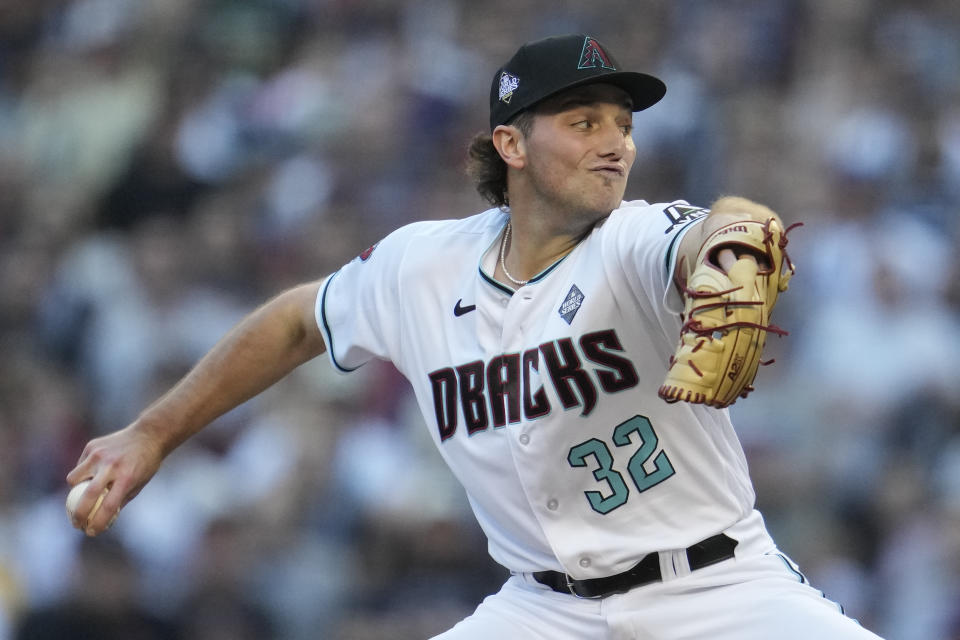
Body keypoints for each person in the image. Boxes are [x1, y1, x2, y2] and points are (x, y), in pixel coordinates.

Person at [67, 34, 883, 639]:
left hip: (719, 592)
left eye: (623, 125)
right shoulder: (420, 266)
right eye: (584, 120)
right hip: (543, 609)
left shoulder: (631, 241)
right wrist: (153, 432)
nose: (617, 143)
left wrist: (739, 245)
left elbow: (724, 228)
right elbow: (292, 322)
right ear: (512, 144)